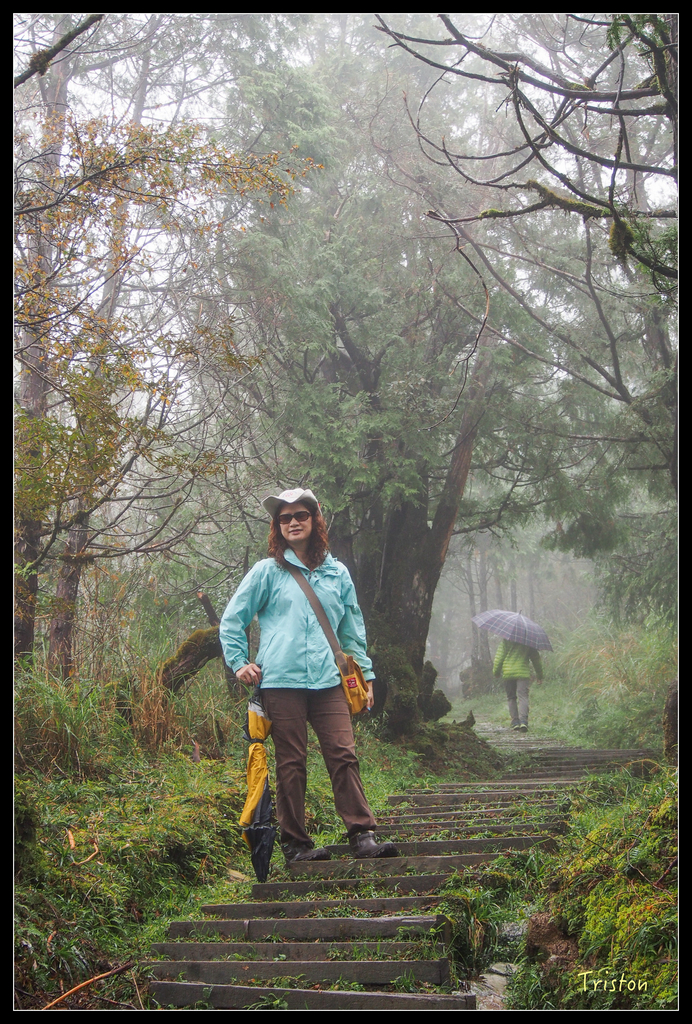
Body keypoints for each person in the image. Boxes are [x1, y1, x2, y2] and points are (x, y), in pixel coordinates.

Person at [219, 487, 398, 866]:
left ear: (316, 520)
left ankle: (362, 834)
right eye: (285, 518)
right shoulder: (268, 572)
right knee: (291, 762)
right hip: (280, 681)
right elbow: (233, 618)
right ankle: (295, 844)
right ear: (277, 527)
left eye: (301, 515)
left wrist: (366, 676)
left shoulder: (337, 573)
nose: (293, 522)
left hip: (331, 680)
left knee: (343, 753)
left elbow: (351, 629)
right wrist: (239, 662)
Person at [493, 639, 543, 733]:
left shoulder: (505, 641)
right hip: (523, 674)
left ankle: (515, 721)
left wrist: (496, 672)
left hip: (508, 673)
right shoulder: (528, 641)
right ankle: (523, 721)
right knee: (523, 697)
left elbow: (499, 657)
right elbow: (536, 659)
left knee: (511, 698)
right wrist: (539, 675)